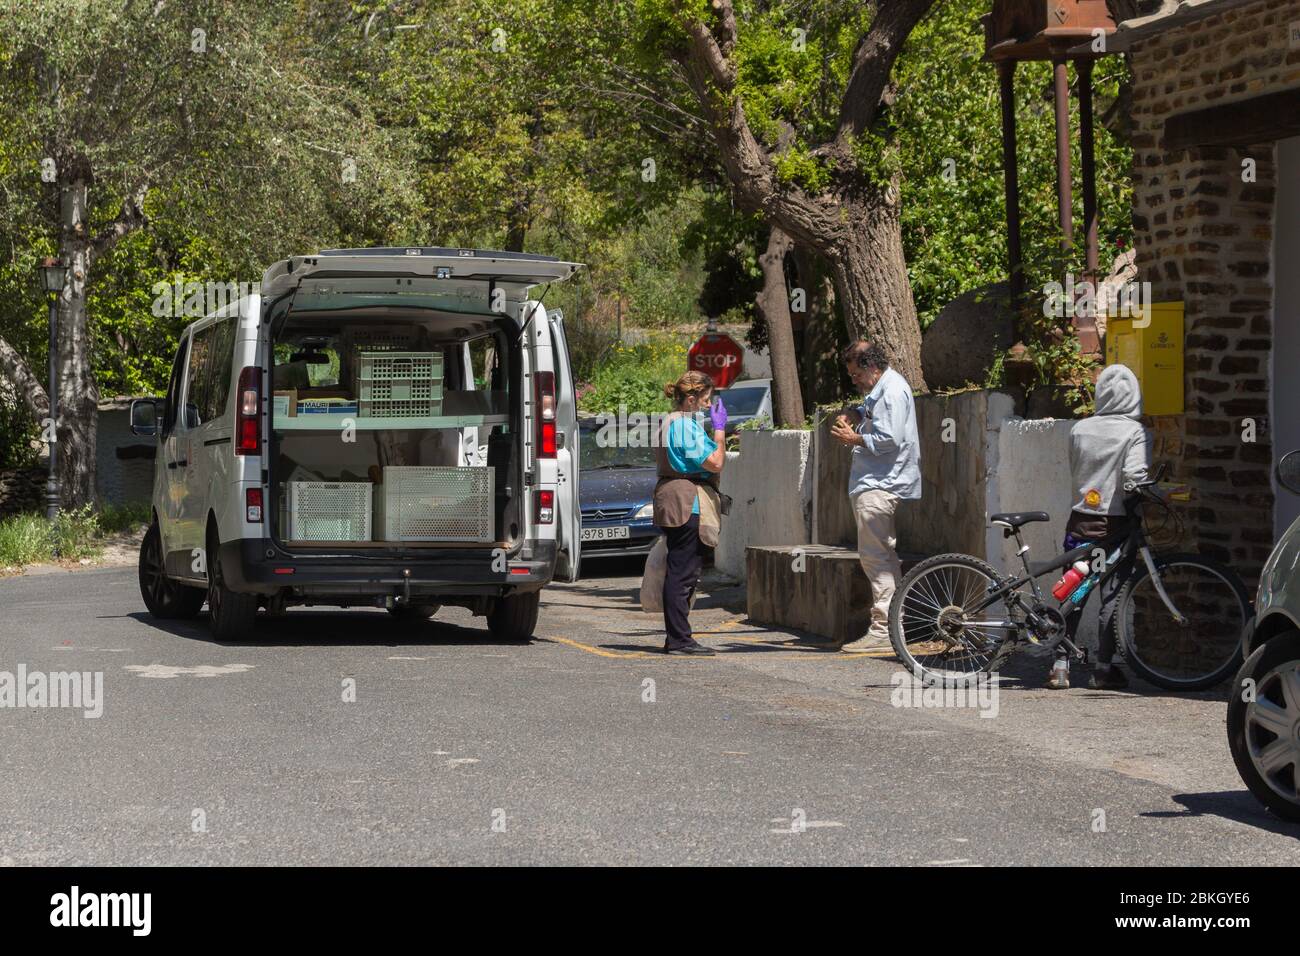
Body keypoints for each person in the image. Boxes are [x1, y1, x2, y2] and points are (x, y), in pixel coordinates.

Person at [1048, 363, 1152, 690]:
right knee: (1112, 597)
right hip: (1115, 527)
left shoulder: (1079, 429)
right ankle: (1103, 669)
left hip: (1080, 523)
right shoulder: (1134, 432)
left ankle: (1060, 666)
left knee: (1076, 591)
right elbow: (1135, 479)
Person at [829, 341, 921, 651]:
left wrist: (852, 437)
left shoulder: (892, 391)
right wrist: (854, 413)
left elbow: (888, 439)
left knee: (877, 557)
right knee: (879, 556)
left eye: (856, 374)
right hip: (875, 481)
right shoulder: (881, 390)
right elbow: (874, 416)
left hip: (882, 483)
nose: (853, 379)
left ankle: (884, 629)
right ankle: (889, 625)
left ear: (872, 367)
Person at [652, 371, 728, 656]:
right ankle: (679, 639)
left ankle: (678, 637)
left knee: (681, 570)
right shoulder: (684, 426)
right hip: (686, 502)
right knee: (683, 573)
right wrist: (719, 431)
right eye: (706, 400)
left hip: (674, 497)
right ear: (692, 399)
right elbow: (715, 462)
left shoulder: (670, 422)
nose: (710, 406)